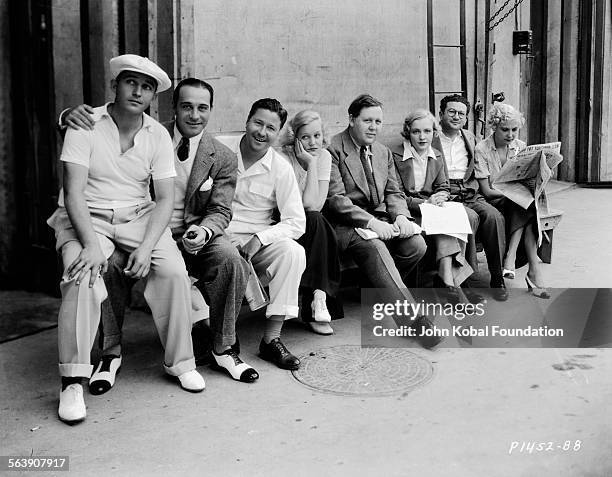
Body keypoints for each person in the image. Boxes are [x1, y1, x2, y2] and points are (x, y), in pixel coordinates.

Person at [61, 77, 259, 388]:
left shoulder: (222, 156)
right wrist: (65, 117)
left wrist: (205, 231)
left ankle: (224, 348)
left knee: (229, 259)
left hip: (192, 234)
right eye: (187, 107)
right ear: (173, 107)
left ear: (211, 111)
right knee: (109, 264)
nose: (194, 115)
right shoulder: (150, 132)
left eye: (202, 108)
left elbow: (220, 211)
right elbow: (102, 134)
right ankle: (110, 353)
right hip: (142, 229)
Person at [47, 54, 205, 424]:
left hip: (139, 217)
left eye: (147, 87)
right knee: (81, 275)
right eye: (131, 82)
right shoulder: (84, 124)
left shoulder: (158, 135)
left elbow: (165, 198)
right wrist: (88, 244)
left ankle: (180, 361)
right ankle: (72, 381)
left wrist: (148, 247)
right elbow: (73, 193)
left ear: (153, 96)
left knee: (173, 272)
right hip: (88, 218)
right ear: (115, 86)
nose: (138, 91)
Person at [326, 94, 441, 349]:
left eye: (378, 121)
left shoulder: (381, 151)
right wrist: (372, 223)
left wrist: (400, 215)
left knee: (416, 245)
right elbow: (336, 200)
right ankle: (415, 322)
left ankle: (374, 287)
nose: (373, 127)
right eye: (367, 120)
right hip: (345, 224)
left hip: (380, 218)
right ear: (352, 119)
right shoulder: (333, 149)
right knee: (376, 247)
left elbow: (394, 192)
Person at [217, 98, 306, 370]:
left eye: (270, 127)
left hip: (256, 242)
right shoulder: (219, 149)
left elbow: (296, 221)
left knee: (293, 252)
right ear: (247, 120)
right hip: (217, 235)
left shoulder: (281, 168)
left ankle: (271, 339)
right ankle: (217, 339)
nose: (262, 132)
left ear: (278, 133)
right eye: (258, 123)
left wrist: (260, 239)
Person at [389, 109, 476, 302]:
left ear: (434, 133)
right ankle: (453, 286)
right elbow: (396, 195)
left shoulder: (436, 154)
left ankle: (448, 281)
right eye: (416, 132)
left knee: (459, 217)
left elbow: (444, 186)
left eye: (427, 131)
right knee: (446, 223)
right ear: (407, 132)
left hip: (432, 207)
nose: (422, 137)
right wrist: (426, 202)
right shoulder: (395, 156)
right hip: (409, 210)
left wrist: (441, 195)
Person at [432, 94, 508, 301]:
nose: (456, 117)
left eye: (461, 114)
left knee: (494, 217)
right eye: (451, 112)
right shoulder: (431, 137)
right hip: (445, 192)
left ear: (466, 118)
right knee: (469, 219)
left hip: (470, 191)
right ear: (440, 114)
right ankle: (463, 283)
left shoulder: (469, 137)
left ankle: (497, 277)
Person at [474, 103, 549, 298]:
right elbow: (487, 191)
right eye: (505, 129)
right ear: (494, 127)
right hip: (492, 200)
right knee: (525, 204)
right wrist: (513, 192)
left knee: (526, 202)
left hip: (517, 203)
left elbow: (527, 179)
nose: (511, 134)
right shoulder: (482, 149)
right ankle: (532, 271)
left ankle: (512, 258)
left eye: (514, 129)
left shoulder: (521, 147)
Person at [280, 110, 343, 335]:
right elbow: (305, 206)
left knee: (317, 221)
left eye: (317, 135)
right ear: (295, 138)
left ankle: (319, 297)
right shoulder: (284, 157)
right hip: (282, 222)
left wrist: (314, 164)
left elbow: (315, 205)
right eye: (305, 137)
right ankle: (318, 301)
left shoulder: (324, 156)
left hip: (310, 224)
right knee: (318, 223)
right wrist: (310, 164)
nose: (313, 142)